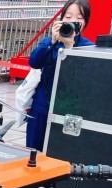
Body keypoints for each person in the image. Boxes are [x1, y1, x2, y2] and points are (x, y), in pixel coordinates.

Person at [26, 0, 93, 151]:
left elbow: (82, 78)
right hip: (43, 102)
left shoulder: (88, 47)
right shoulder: (50, 41)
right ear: (61, 19)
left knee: (60, 151)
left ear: (85, 22)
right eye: (68, 16)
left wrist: (69, 47)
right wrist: (51, 41)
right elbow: (34, 62)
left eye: (79, 17)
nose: (73, 21)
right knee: (33, 149)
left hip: (69, 107)